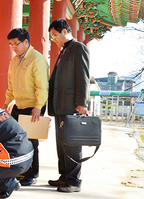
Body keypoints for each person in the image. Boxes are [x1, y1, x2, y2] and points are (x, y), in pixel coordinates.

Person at [47, 18, 90, 192]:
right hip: (59, 105)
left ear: (64, 31)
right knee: (61, 143)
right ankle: (64, 176)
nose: (53, 39)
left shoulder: (79, 48)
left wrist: (81, 103)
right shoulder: (63, 51)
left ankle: (74, 181)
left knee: (72, 144)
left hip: (71, 104)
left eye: (54, 35)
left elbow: (83, 77)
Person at [3, 28, 49, 186]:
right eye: (11, 44)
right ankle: (20, 172)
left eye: (16, 43)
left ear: (26, 42)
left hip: (33, 106)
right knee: (16, 141)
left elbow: (42, 86)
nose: (14, 47)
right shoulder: (14, 60)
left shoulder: (37, 59)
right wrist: (7, 102)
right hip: (18, 104)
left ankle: (32, 174)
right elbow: (11, 84)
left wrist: (38, 106)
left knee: (31, 142)